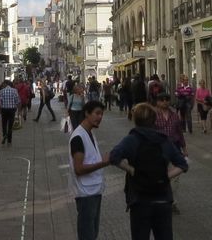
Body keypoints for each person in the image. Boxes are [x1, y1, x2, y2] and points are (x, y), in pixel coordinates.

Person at [109, 103, 188, 240]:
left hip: (139, 200)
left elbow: (113, 157)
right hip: (163, 198)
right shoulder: (164, 140)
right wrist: (165, 176)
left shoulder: (131, 139)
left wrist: (132, 170)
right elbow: (182, 164)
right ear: (154, 120)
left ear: (135, 119)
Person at [69, 100, 113, 240]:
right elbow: (79, 169)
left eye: (102, 114)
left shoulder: (89, 133)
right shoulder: (78, 137)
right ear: (87, 113)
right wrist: (103, 163)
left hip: (94, 190)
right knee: (87, 234)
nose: (100, 117)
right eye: (97, 113)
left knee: (92, 232)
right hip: (85, 193)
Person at [152, 92, 187, 213]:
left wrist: (184, 147)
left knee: (175, 177)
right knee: (161, 175)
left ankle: (172, 202)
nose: (165, 102)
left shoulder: (174, 115)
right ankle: (162, 200)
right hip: (160, 149)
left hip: (175, 149)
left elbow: (180, 132)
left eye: (167, 99)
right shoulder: (154, 116)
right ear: (158, 102)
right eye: (162, 100)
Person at [0, 79, 21, 144]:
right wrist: (19, 110)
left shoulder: (1, 91)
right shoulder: (14, 91)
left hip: (4, 109)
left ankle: (4, 135)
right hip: (12, 110)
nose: (2, 85)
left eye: (3, 84)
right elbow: (18, 101)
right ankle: (9, 139)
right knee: (10, 125)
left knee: (4, 124)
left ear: (6, 84)